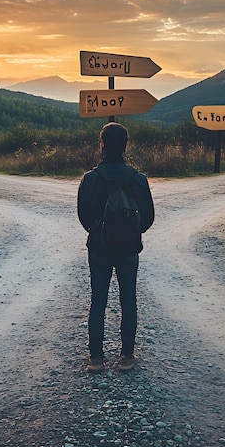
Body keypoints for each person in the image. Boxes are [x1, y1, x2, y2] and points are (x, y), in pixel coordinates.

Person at [77, 122, 155, 372]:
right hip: (129, 248)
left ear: (102, 145)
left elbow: (83, 216)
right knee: (128, 299)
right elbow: (149, 216)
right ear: (125, 146)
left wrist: (100, 232)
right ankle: (126, 357)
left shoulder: (90, 179)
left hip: (99, 247)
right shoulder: (138, 179)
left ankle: (97, 359)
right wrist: (130, 232)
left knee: (98, 300)